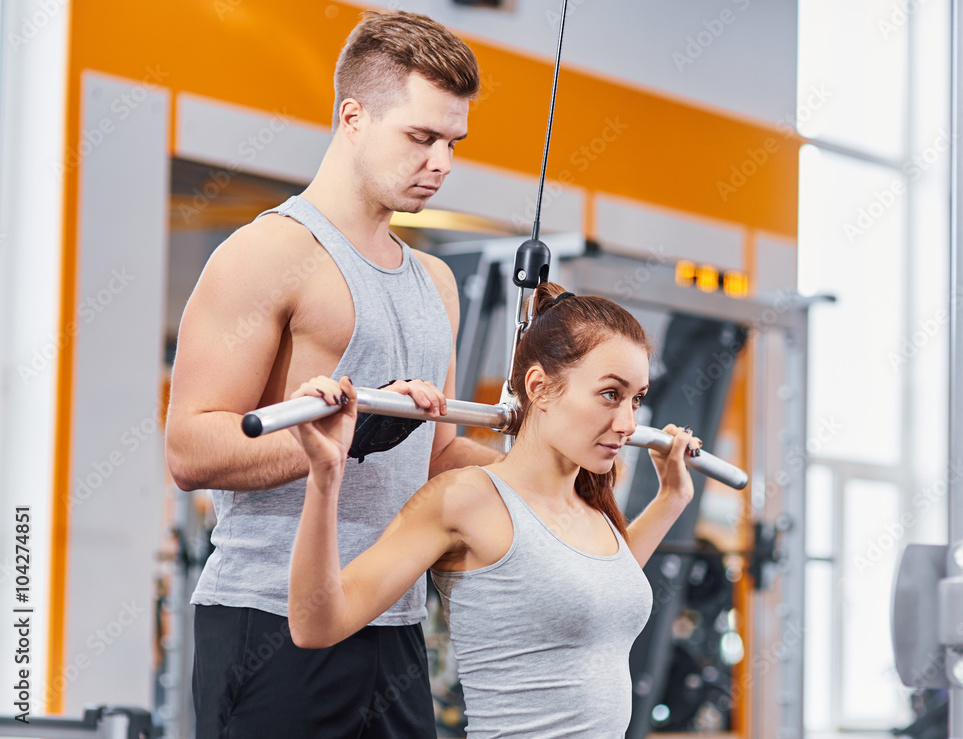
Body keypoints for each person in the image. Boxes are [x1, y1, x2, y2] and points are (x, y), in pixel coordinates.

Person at [164, 10, 500, 738]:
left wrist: (547, 464)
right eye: (421, 137)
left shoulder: (437, 283)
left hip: (393, 620)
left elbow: (434, 455)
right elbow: (189, 449)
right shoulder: (268, 254)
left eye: (453, 143)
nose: (442, 162)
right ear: (353, 117)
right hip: (268, 622)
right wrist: (353, 437)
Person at [287, 282, 702, 738]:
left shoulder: (589, 507)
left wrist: (672, 499)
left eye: (636, 399)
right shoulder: (466, 498)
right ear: (539, 388)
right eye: (610, 394)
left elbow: (599, 590)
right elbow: (316, 624)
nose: (627, 424)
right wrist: (324, 475)